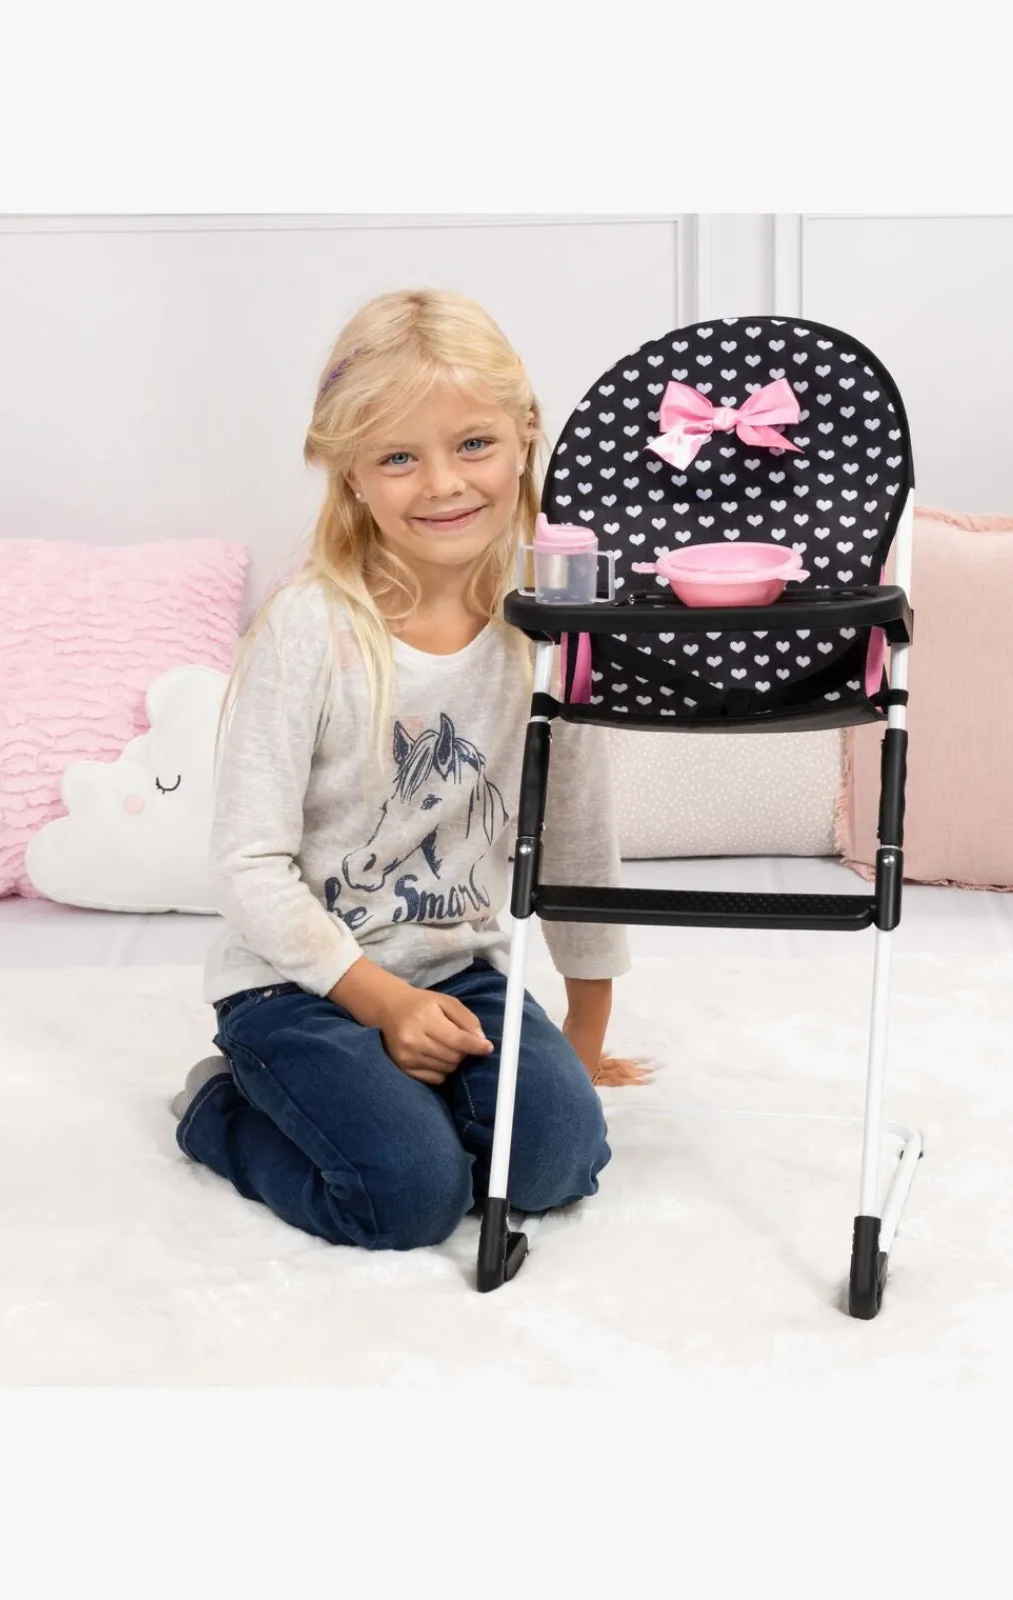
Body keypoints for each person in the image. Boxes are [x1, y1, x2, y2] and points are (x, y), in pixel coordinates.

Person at [171, 287, 652, 1252]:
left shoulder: (547, 631)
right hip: (296, 984)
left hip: (456, 970)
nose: (442, 484)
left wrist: (583, 1038)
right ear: (350, 473)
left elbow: (577, 837)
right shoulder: (309, 628)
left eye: (473, 444)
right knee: (410, 1198)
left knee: (558, 1162)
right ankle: (217, 1107)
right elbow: (248, 866)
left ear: (525, 433)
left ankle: (396, 1100)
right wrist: (381, 1004)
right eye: (398, 458)